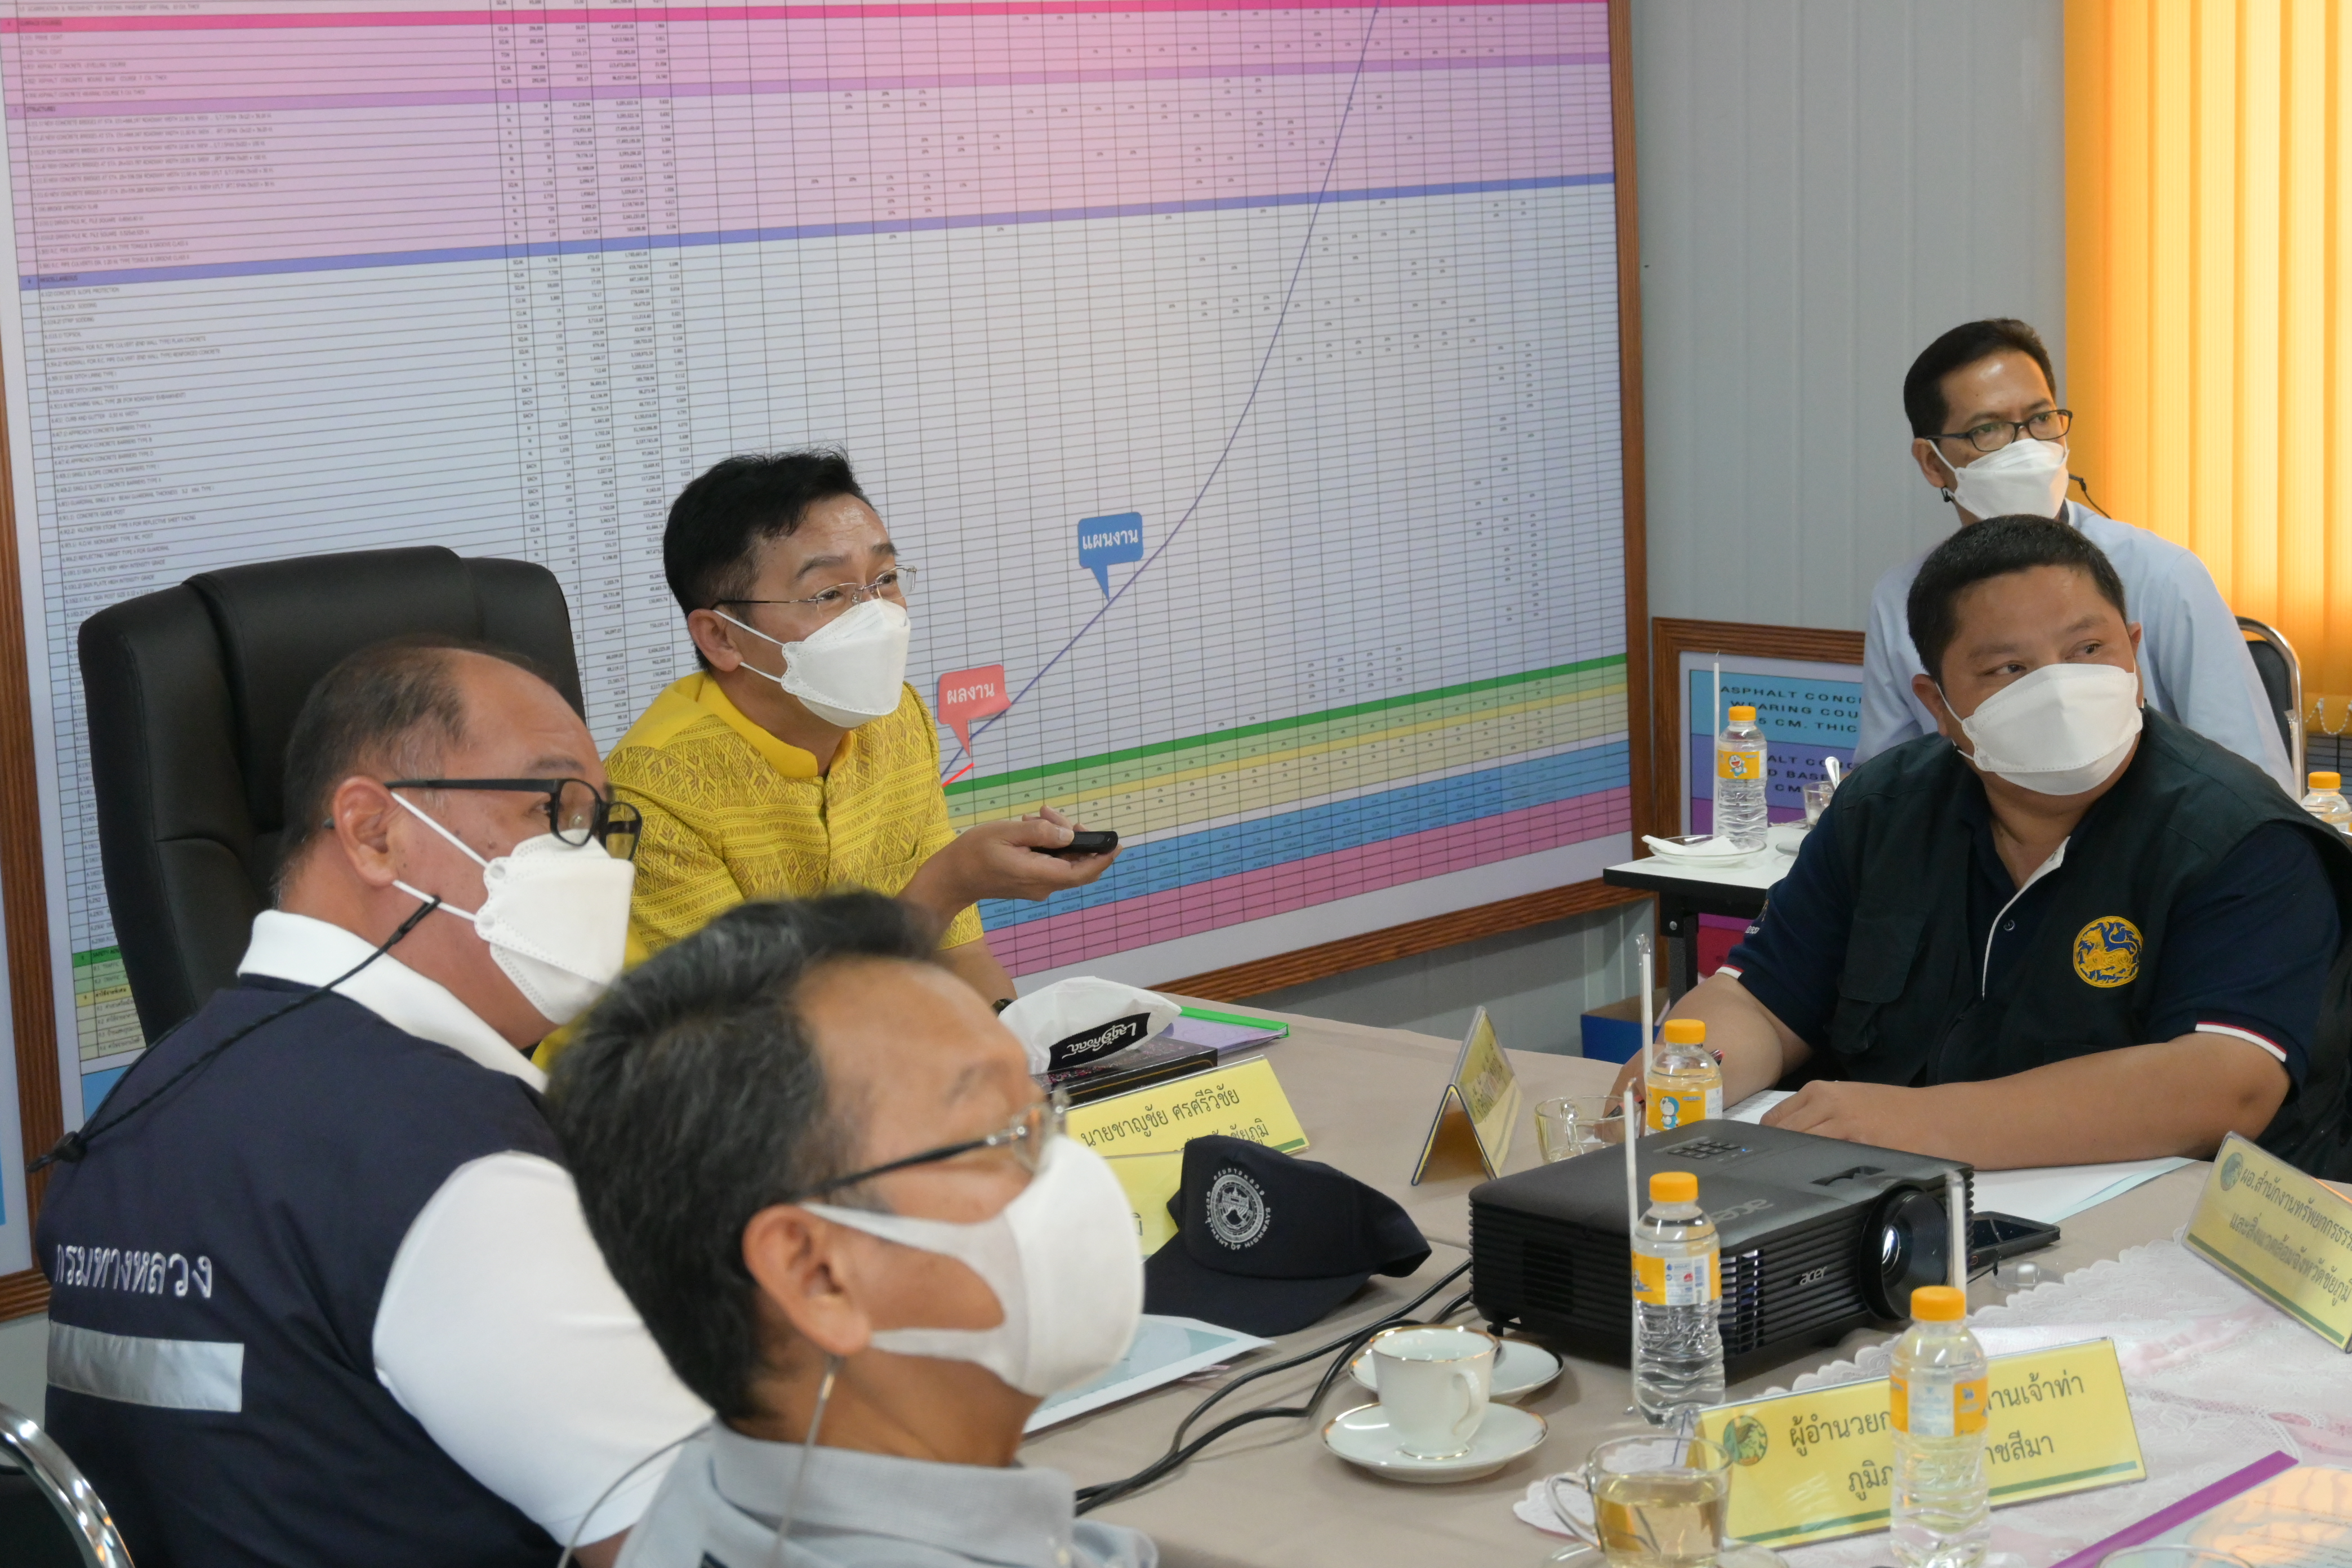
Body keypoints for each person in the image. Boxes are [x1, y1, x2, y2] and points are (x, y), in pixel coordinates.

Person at [37, 641, 707, 1567]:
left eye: (599, 824)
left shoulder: (138, 1108)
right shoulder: (453, 1166)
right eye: (552, 809)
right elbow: (704, 1543)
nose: (590, 861)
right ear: (372, 831)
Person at [1619, 519, 2352, 1175]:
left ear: (2132, 654)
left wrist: (1912, 1124)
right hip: (1910, 1203)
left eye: (2088, 650)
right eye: (2009, 669)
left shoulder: (2239, 836)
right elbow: (1760, 1000)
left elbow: (2224, 1085)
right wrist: (1691, 1068)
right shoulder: (1884, 809)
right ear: (1938, 704)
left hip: (2174, 1226)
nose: (2060, 689)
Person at [546, 893, 1154, 1568]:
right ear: (816, 1275)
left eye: (1045, 1115)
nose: (1069, 1170)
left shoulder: (707, 1498)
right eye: (1004, 1134)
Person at [600, 449, 1115, 1018]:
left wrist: (1016, 1050)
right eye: (829, 594)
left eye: (885, 580)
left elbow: (961, 958)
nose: (875, 616)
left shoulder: (899, 718)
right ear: (722, 637)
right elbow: (758, 1037)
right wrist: (949, 884)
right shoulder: (650, 794)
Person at [1854, 318, 2295, 795]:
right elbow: (1886, 786)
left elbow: (2254, 782)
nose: (2027, 447)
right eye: (1989, 429)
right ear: (1932, 462)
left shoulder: (2164, 576)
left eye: (2041, 419)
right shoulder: (1901, 598)